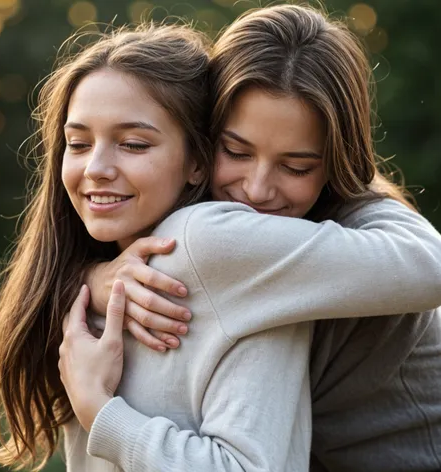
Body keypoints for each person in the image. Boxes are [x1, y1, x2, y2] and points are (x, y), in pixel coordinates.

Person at [75, 4, 441, 472]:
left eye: (296, 167)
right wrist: (96, 274)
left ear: (336, 163)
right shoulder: (179, 230)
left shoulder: (359, 221)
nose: (256, 190)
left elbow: (430, 266)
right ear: (203, 142)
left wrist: (103, 412)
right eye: (236, 151)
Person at [0, 23, 314, 472]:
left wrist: (101, 412)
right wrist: (88, 279)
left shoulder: (234, 262)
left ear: (198, 161)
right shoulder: (85, 283)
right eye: (78, 143)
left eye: (133, 144)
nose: (96, 168)